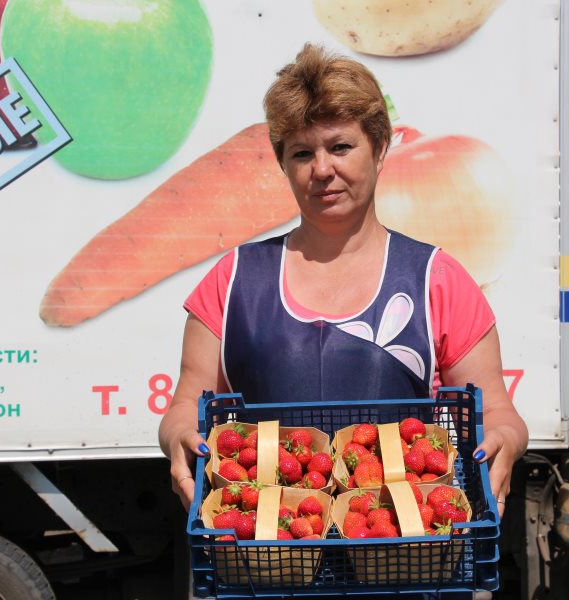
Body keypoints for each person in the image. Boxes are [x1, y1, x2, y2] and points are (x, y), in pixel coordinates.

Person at [158, 44, 528, 524]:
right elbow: (185, 404)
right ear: (283, 166)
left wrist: (504, 439)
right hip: (270, 555)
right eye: (302, 153)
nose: (322, 169)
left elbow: (497, 412)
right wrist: (179, 437)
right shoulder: (232, 281)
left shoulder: (437, 279)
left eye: (340, 147)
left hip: (404, 551)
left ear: (379, 149)